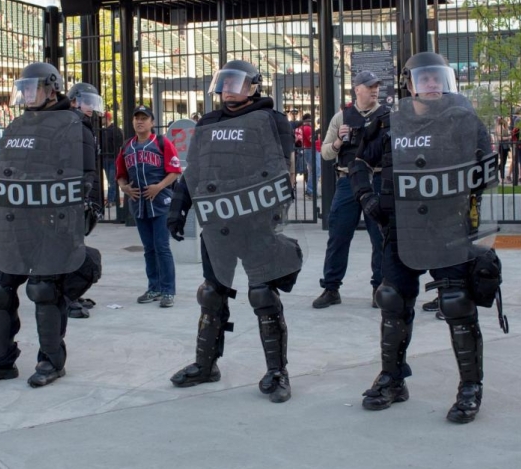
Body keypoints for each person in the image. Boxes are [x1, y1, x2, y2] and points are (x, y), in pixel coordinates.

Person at [350, 52, 502, 421]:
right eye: (424, 78)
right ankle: (392, 379)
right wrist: (366, 196)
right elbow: (356, 160)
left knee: (456, 303)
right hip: (402, 229)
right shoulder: (389, 122)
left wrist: (472, 213)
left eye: (438, 78)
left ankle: (470, 388)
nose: (432, 84)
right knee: (391, 299)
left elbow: (487, 173)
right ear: (410, 84)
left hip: (448, 228)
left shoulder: (464, 121)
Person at [166, 59, 301, 403]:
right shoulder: (208, 122)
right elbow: (194, 171)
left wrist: (273, 213)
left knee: (263, 294)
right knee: (212, 293)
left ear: (254, 85)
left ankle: (277, 372)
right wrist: (178, 208)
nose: (228, 88)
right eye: (224, 82)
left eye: (236, 82)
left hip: (255, 222)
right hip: (218, 224)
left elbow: (281, 169)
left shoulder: (272, 120)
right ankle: (206, 365)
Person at [0, 63, 101, 388]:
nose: (24, 94)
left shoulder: (74, 125)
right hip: (14, 223)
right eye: (22, 88)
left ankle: (51, 362)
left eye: (30, 88)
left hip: (51, 223)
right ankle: (0, 362)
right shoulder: (17, 125)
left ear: (51, 89)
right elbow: (1, 171)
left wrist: (78, 216)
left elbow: (86, 179)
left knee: (44, 290)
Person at [312, 70, 388, 309]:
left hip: (377, 180)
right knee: (338, 235)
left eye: (376, 86)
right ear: (357, 89)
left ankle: (380, 286)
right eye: (369, 86)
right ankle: (331, 288)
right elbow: (325, 152)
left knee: (380, 236)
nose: (375, 90)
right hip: (348, 181)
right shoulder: (341, 117)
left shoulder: (388, 115)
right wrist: (338, 141)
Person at [117, 105, 181, 308]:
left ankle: (168, 291)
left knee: (162, 247)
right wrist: (125, 189)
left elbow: (175, 171)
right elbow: (120, 175)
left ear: (152, 122)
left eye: (144, 118)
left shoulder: (162, 143)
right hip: (138, 204)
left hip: (161, 202)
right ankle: (154, 287)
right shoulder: (127, 146)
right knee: (148, 249)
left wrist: (159, 186)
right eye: (136, 118)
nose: (139, 121)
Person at [67, 82, 105, 319]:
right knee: (70, 248)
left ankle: (72, 293)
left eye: (93, 103)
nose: (90, 108)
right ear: (74, 101)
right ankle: (66, 296)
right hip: (70, 197)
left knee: (75, 245)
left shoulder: (83, 125)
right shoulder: (72, 124)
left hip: (79, 195)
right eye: (86, 102)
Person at [100, 111, 124, 208]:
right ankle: (113, 199)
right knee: (111, 181)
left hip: (113, 158)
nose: (101, 120)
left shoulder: (115, 130)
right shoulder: (101, 130)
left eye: (102, 118)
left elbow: (120, 142)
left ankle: (111, 200)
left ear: (107, 118)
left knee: (112, 180)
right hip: (105, 158)